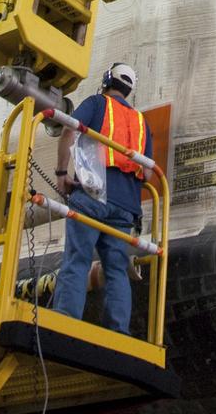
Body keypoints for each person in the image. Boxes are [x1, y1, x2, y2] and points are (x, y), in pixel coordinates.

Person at [52, 62, 153, 333]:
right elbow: (147, 174)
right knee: (117, 269)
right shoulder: (141, 123)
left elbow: (69, 130)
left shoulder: (97, 103)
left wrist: (62, 172)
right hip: (125, 208)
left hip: (92, 195)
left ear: (107, 80)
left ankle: (64, 323)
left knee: (78, 259)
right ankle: (118, 331)